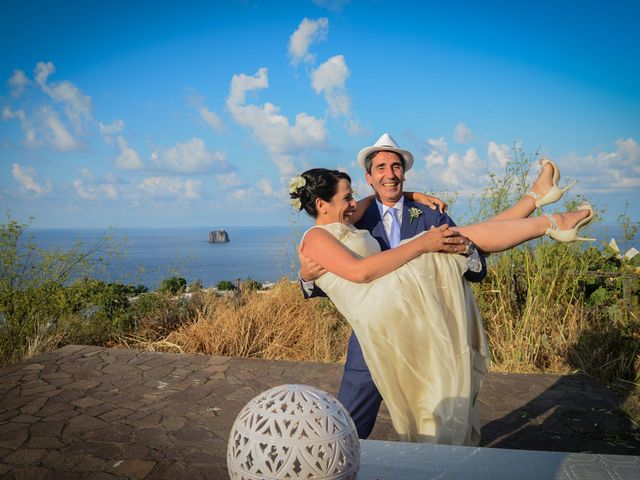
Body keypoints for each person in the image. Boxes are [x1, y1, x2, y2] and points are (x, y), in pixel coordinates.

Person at [291, 163, 592, 445]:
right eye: (347, 196)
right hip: (380, 309)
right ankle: (546, 218)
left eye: (395, 167)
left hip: (399, 307)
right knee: (439, 240)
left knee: (455, 237)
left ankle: (539, 206)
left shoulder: (348, 219)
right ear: (322, 204)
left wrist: (411, 195)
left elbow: (373, 200)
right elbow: (361, 271)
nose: (354, 201)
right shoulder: (317, 236)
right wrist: (422, 244)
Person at [299, 133, 487, 440]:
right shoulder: (351, 216)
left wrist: (467, 250)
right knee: (349, 423)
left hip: (431, 334)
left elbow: (473, 268)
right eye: (382, 168)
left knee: (436, 416)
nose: (390, 174)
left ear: (404, 172)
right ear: (369, 177)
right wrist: (307, 277)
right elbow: (333, 273)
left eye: (396, 166)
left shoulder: (431, 213)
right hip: (375, 332)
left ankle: (438, 466)